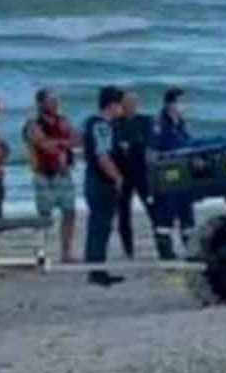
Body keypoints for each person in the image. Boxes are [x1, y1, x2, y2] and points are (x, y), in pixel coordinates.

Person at [25, 89, 78, 263]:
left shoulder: (63, 121)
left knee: (69, 212)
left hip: (63, 173)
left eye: (56, 100)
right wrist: (64, 143)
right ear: (41, 104)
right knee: (44, 217)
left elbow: (76, 140)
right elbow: (45, 145)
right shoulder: (33, 124)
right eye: (50, 101)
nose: (55, 104)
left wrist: (59, 143)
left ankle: (66, 252)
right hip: (44, 175)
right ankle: (40, 253)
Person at [82, 86, 127, 287]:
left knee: (98, 225)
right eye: (120, 105)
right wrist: (117, 177)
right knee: (101, 225)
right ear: (112, 105)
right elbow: (102, 155)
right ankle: (96, 269)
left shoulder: (91, 123)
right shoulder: (102, 126)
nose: (122, 110)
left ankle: (95, 267)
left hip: (94, 180)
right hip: (101, 182)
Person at [114, 90, 160, 260]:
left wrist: (133, 145)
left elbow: (151, 142)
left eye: (133, 103)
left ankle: (162, 244)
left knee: (152, 209)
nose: (130, 106)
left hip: (141, 172)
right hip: (122, 173)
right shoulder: (116, 123)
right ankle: (128, 250)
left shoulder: (145, 121)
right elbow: (113, 145)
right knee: (123, 213)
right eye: (127, 103)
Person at [152, 86, 195, 256]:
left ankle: (190, 247)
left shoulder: (181, 123)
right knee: (166, 214)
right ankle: (165, 250)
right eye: (180, 102)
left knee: (186, 212)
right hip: (167, 175)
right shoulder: (160, 124)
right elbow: (154, 152)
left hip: (184, 174)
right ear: (170, 104)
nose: (183, 106)